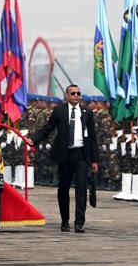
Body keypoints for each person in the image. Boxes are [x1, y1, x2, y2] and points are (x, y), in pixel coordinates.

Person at [29, 84, 99, 233]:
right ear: (66, 95)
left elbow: (92, 137)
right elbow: (47, 129)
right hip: (65, 155)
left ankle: (79, 222)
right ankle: (65, 221)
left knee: (81, 188)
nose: (76, 96)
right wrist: (33, 140)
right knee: (63, 188)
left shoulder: (87, 113)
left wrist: (94, 160)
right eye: (73, 93)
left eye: (78, 93)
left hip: (82, 155)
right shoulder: (59, 111)